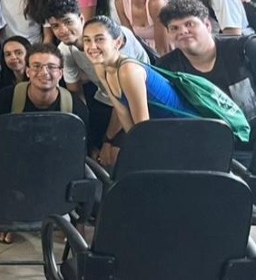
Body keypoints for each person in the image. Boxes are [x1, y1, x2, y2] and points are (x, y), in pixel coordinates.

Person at [0, 41, 88, 241]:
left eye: (51, 67)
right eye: (37, 66)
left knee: (88, 176)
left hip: (56, 168)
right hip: (15, 166)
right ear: (27, 72)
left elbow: (79, 153)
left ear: (60, 73)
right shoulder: (7, 98)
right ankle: (8, 217)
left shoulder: (75, 106)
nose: (44, 72)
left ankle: (75, 223)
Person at [83, 14, 201, 169]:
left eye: (99, 39)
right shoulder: (101, 67)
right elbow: (122, 112)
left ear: (117, 42)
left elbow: (142, 126)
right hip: (161, 131)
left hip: (188, 131)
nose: (92, 47)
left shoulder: (128, 71)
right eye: (87, 40)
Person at [157, 0, 256, 162]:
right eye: (174, 28)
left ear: (208, 25)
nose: (182, 31)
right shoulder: (166, 67)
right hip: (207, 152)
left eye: (189, 24)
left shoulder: (245, 48)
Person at [46, 0, 149, 152]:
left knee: (117, 152)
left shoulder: (112, 36)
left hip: (143, 98)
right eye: (55, 26)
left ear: (81, 18)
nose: (62, 30)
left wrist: (109, 139)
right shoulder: (65, 50)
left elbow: (127, 100)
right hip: (109, 99)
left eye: (67, 22)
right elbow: (76, 93)